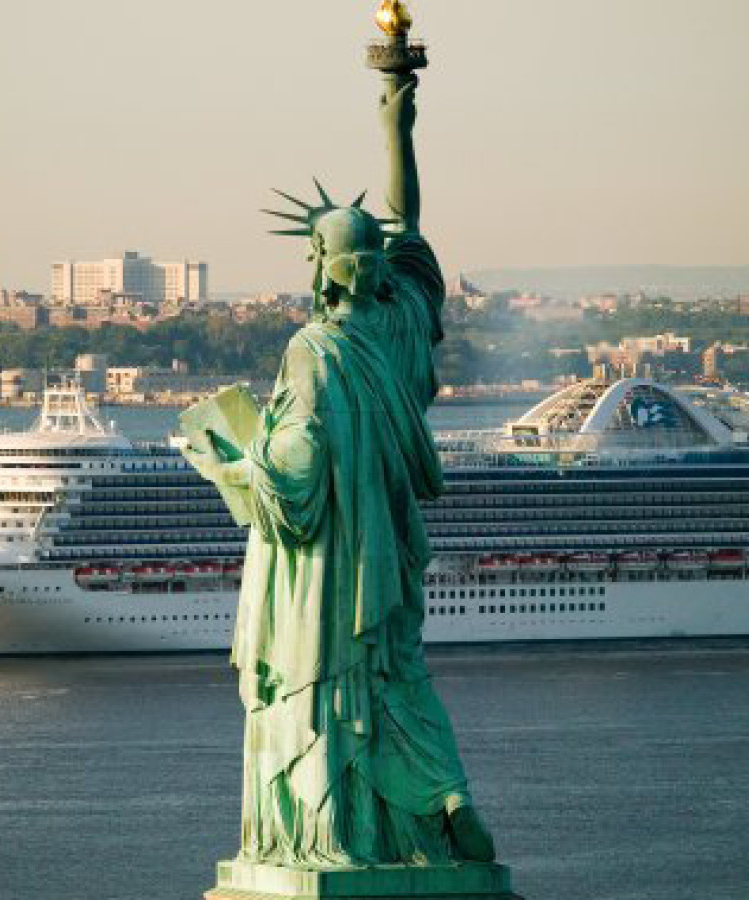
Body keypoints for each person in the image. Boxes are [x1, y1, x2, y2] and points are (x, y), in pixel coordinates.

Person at [185, 73, 495, 868]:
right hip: (388, 560)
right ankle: (443, 796)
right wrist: (398, 124)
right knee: (400, 680)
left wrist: (227, 459)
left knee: (318, 691)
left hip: (324, 579)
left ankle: (334, 833)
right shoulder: (402, 327)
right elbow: (408, 222)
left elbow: (292, 479)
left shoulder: (311, 350)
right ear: (379, 267)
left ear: (320, 263)